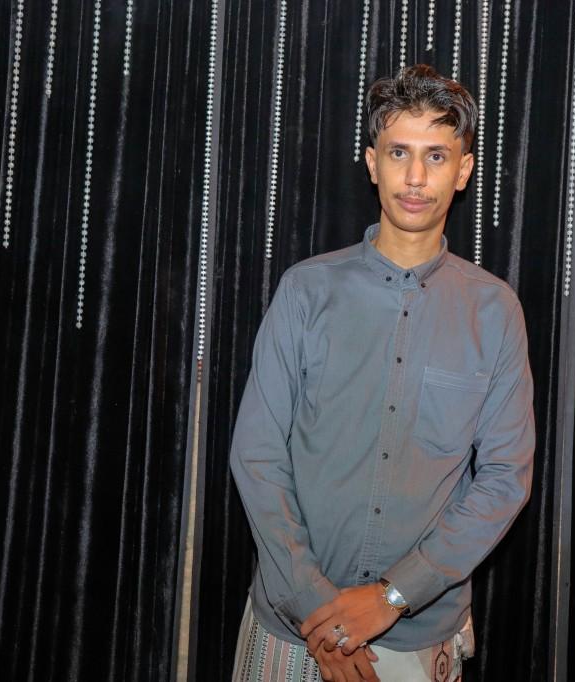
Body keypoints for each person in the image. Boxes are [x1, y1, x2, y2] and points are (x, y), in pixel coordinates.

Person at [229, 64, 535, 682]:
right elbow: (257, 456)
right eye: (399, 153)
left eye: (436, 156)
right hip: (292, 629)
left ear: (463, 170)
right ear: (373, 163)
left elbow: (504, 480)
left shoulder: (494, 311)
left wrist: (393, 596)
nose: (415, 177)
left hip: (419, 637)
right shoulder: (306, 291)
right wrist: (318, 610)